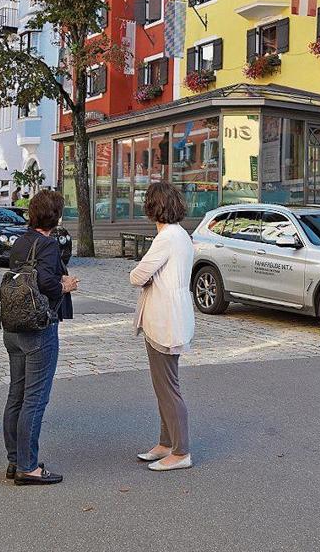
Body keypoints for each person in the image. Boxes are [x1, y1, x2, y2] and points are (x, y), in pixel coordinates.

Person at [1, 190, 77, 486]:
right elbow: (45, 282)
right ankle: (29, 466)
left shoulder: (20, 242)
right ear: (55, 216)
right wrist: (65, 285)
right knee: (35, 398)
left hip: (13, 325)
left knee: (16, 395)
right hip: (38, 326)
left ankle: (14, 460)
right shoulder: (47, 245)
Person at [129, 182, 195, 472]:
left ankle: (180, 451)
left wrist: (142, 275)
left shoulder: (166, 238)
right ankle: (166, 443)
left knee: (167, 387)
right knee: (164, 384)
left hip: (165, 318)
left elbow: (138, 274)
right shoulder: (180, 235)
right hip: (171, 315)